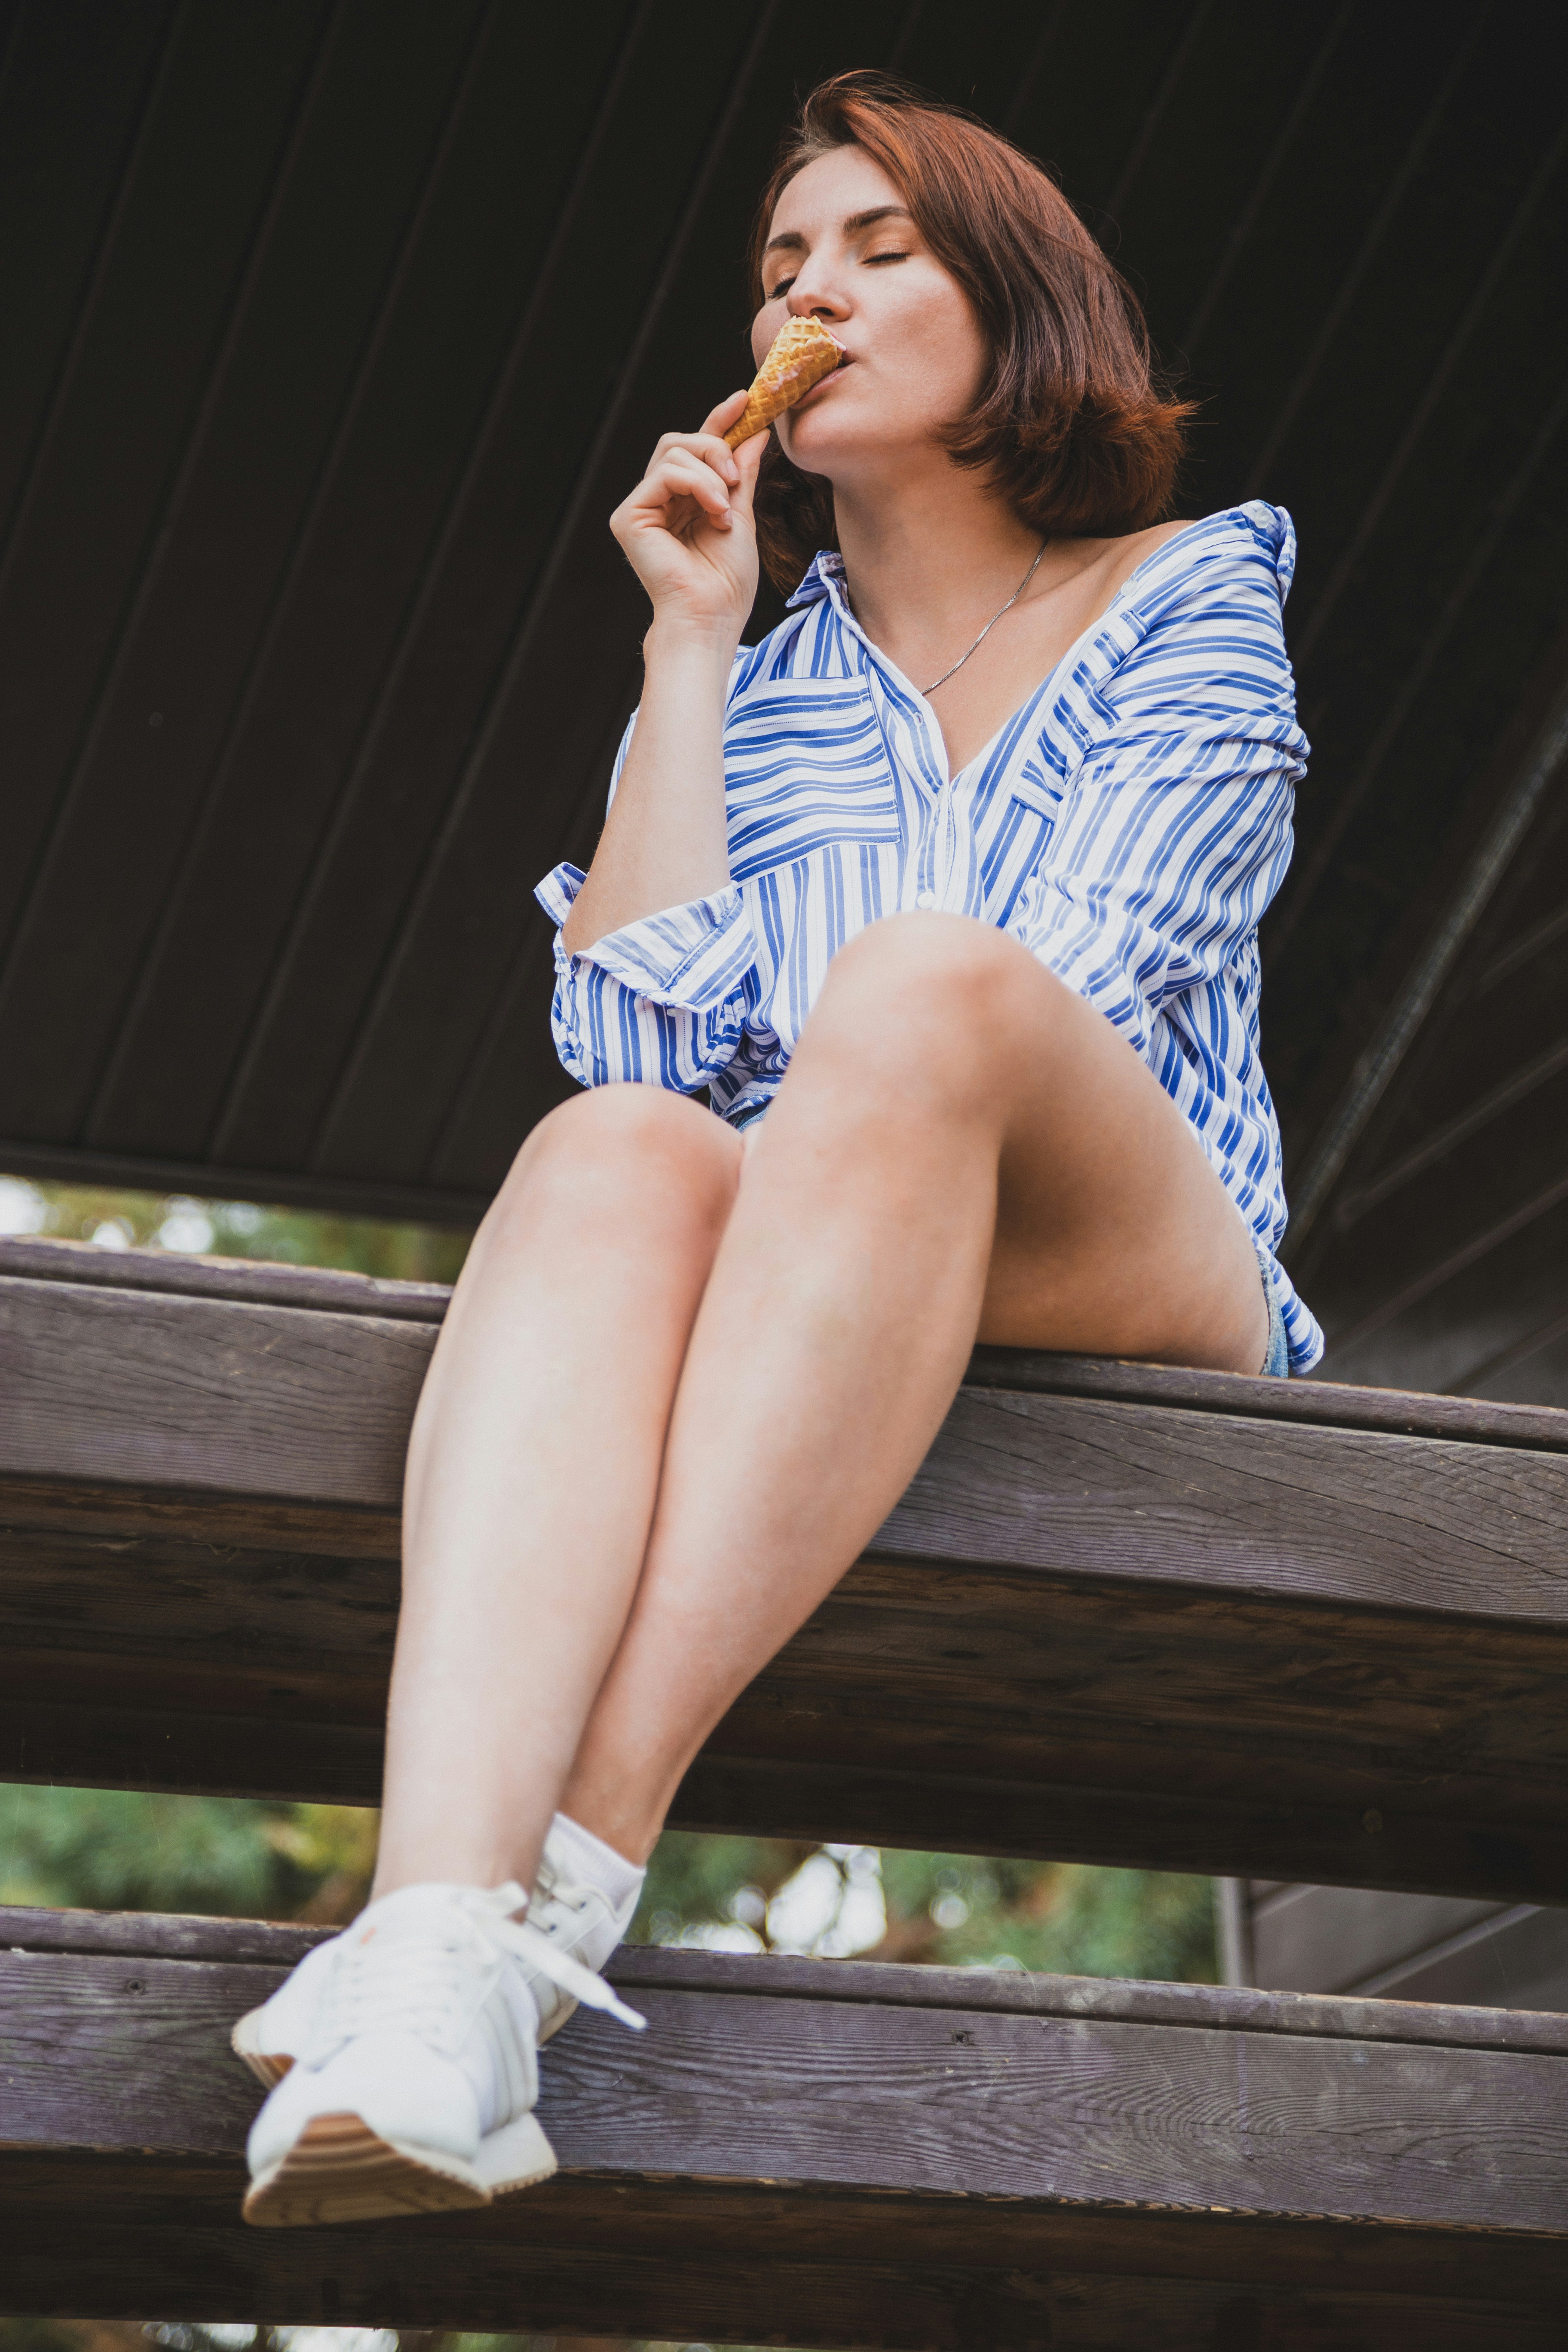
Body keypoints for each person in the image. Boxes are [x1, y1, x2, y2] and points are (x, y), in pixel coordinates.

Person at [237, 70, 1320, 2227]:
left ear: (1018, 306)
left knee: (918, 995)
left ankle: (583, 1846)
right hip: (816, 1257)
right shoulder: (775, 675)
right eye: (776, 268)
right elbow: (633, 1040)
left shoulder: (1188, 590)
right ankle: (443, 1935)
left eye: (872, 248)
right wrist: (692, 644)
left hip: (1136, 1259)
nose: (801, 292)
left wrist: (811, 1100)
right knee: (617, 1152)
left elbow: (1064, 995)